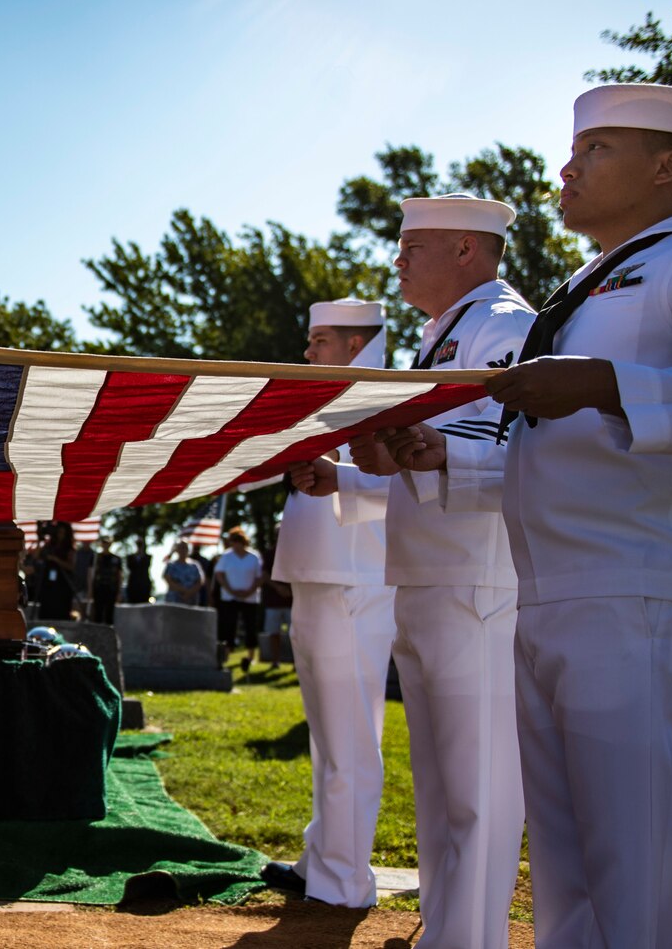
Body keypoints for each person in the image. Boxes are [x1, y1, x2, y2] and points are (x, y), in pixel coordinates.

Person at [469, 83, 672, 947]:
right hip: (550, 592)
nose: (567, 167)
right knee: (565, 873)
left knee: (634, 866)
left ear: (671, 164)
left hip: (629, 590)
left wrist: (603, 384)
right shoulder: (589, 280)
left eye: (597, 149)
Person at [294, 194, 534, 949]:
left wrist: (407, 449)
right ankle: (449, 934)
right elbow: (430, 457)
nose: (396, 258)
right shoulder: (448, 333)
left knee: (478, 791)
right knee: (441, 792)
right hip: (433, 576)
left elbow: (495, 451)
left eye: (411, 244)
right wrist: (363, 473)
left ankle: (470, 940)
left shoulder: (503, 325)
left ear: (466, 249)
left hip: (475, 581)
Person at [266, 298, 397, 907]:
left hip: (355, 577)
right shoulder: (330, 397)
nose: (309, 351)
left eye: (321, 340)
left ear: (355, 344)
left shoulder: (384, 397)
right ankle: (323, 858)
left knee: (348, 738)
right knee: (328, 736)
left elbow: (401, 484)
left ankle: (344, 878)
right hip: (321, 577)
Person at [212, 528, 263, 671]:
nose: (235, 545)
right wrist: (231, 590)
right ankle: (227, 653)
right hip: (230, 598)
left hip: (250, 598)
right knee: (229, 626)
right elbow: (219, 575)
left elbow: (259, 577)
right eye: (233, 542)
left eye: (237, 542)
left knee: (250, 627)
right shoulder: (226, 557)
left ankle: (251, 655)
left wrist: (249, 591)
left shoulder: (254, 557)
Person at [36, 522, 78, 620]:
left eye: (63, 533)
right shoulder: (49, 546)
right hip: (48, 585)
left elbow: (71, 566)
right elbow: (37, 557)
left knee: (61, 610)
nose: (60, 535)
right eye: (58, 532)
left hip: (63, 585)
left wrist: (56, 559)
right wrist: (39, 539)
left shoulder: (69, 549)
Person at [87, 536, 123, 625]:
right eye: (104, 542)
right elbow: (90, 574)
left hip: (111, 589)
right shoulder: (96, 557)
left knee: (109, 615)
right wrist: (90, 589)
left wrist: (119, 592)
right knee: (98, 613)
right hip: (99, 588)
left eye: (107, 542)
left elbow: (119, 576)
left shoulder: (116, 559)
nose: (105, 544)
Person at [161, 540, 204, 605]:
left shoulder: (195, 565)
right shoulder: (171, 565)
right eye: (181, 548)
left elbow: (200, 581)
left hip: (191, 600)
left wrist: (190, 593)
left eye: (185, 548)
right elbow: (168, 580)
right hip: (175, 600)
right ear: (177, 550)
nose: (183, 550)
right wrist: (184, 591)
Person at [124, 537, 151, 605]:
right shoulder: (130, 557)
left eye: (140, 544)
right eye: (138, 544)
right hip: (133, 587)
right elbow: (129, 567)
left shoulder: (147, 557)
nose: (139, 546)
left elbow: (146, 566)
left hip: (144, 587)